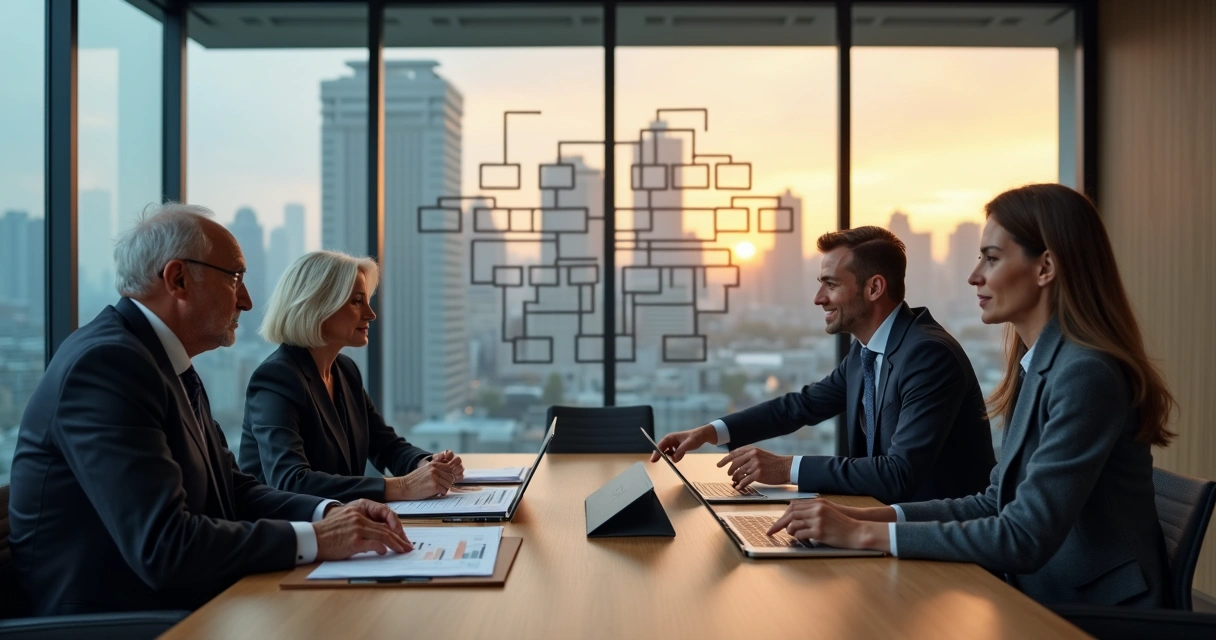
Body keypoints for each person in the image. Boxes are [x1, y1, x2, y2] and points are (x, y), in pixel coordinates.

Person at [769, 184, 1174, 607]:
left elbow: (1023, 536)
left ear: (1045, 268)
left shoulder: (1085, 375)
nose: (974, 274)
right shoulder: (1042, 365)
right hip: (1034, 589)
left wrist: (864, 534)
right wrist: (865, 516)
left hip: (1087, 609)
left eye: (992, 258)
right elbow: (994, 501)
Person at [8, 204, 411, 616]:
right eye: (235, 278)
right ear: (178, 278)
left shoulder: (164, 361)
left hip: (182, 603)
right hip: (114, 619)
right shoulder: (108, 365)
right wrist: (319, 538)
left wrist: (329, 512)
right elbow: (165, 546)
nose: (248, 301)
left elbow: (233, 489)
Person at [653, 227, 995, 504]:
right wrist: (709, 432)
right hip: (879, 527)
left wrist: (787, 467)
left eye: (831, 284)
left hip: (942, 550)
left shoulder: (927, 355)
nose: (819, 298)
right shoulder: (868, 352)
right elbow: (801, 406)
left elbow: (897, 475)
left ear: (875, 287)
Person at [238, 251, 464, 503]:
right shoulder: (276, 378)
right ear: (318, 305)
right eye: (357, 301)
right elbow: (291, 480)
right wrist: (403, 486)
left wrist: (427, 464)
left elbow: (386, 446)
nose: (371, 313)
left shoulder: (345, 370)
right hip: (285, 534)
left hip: (342, 525)